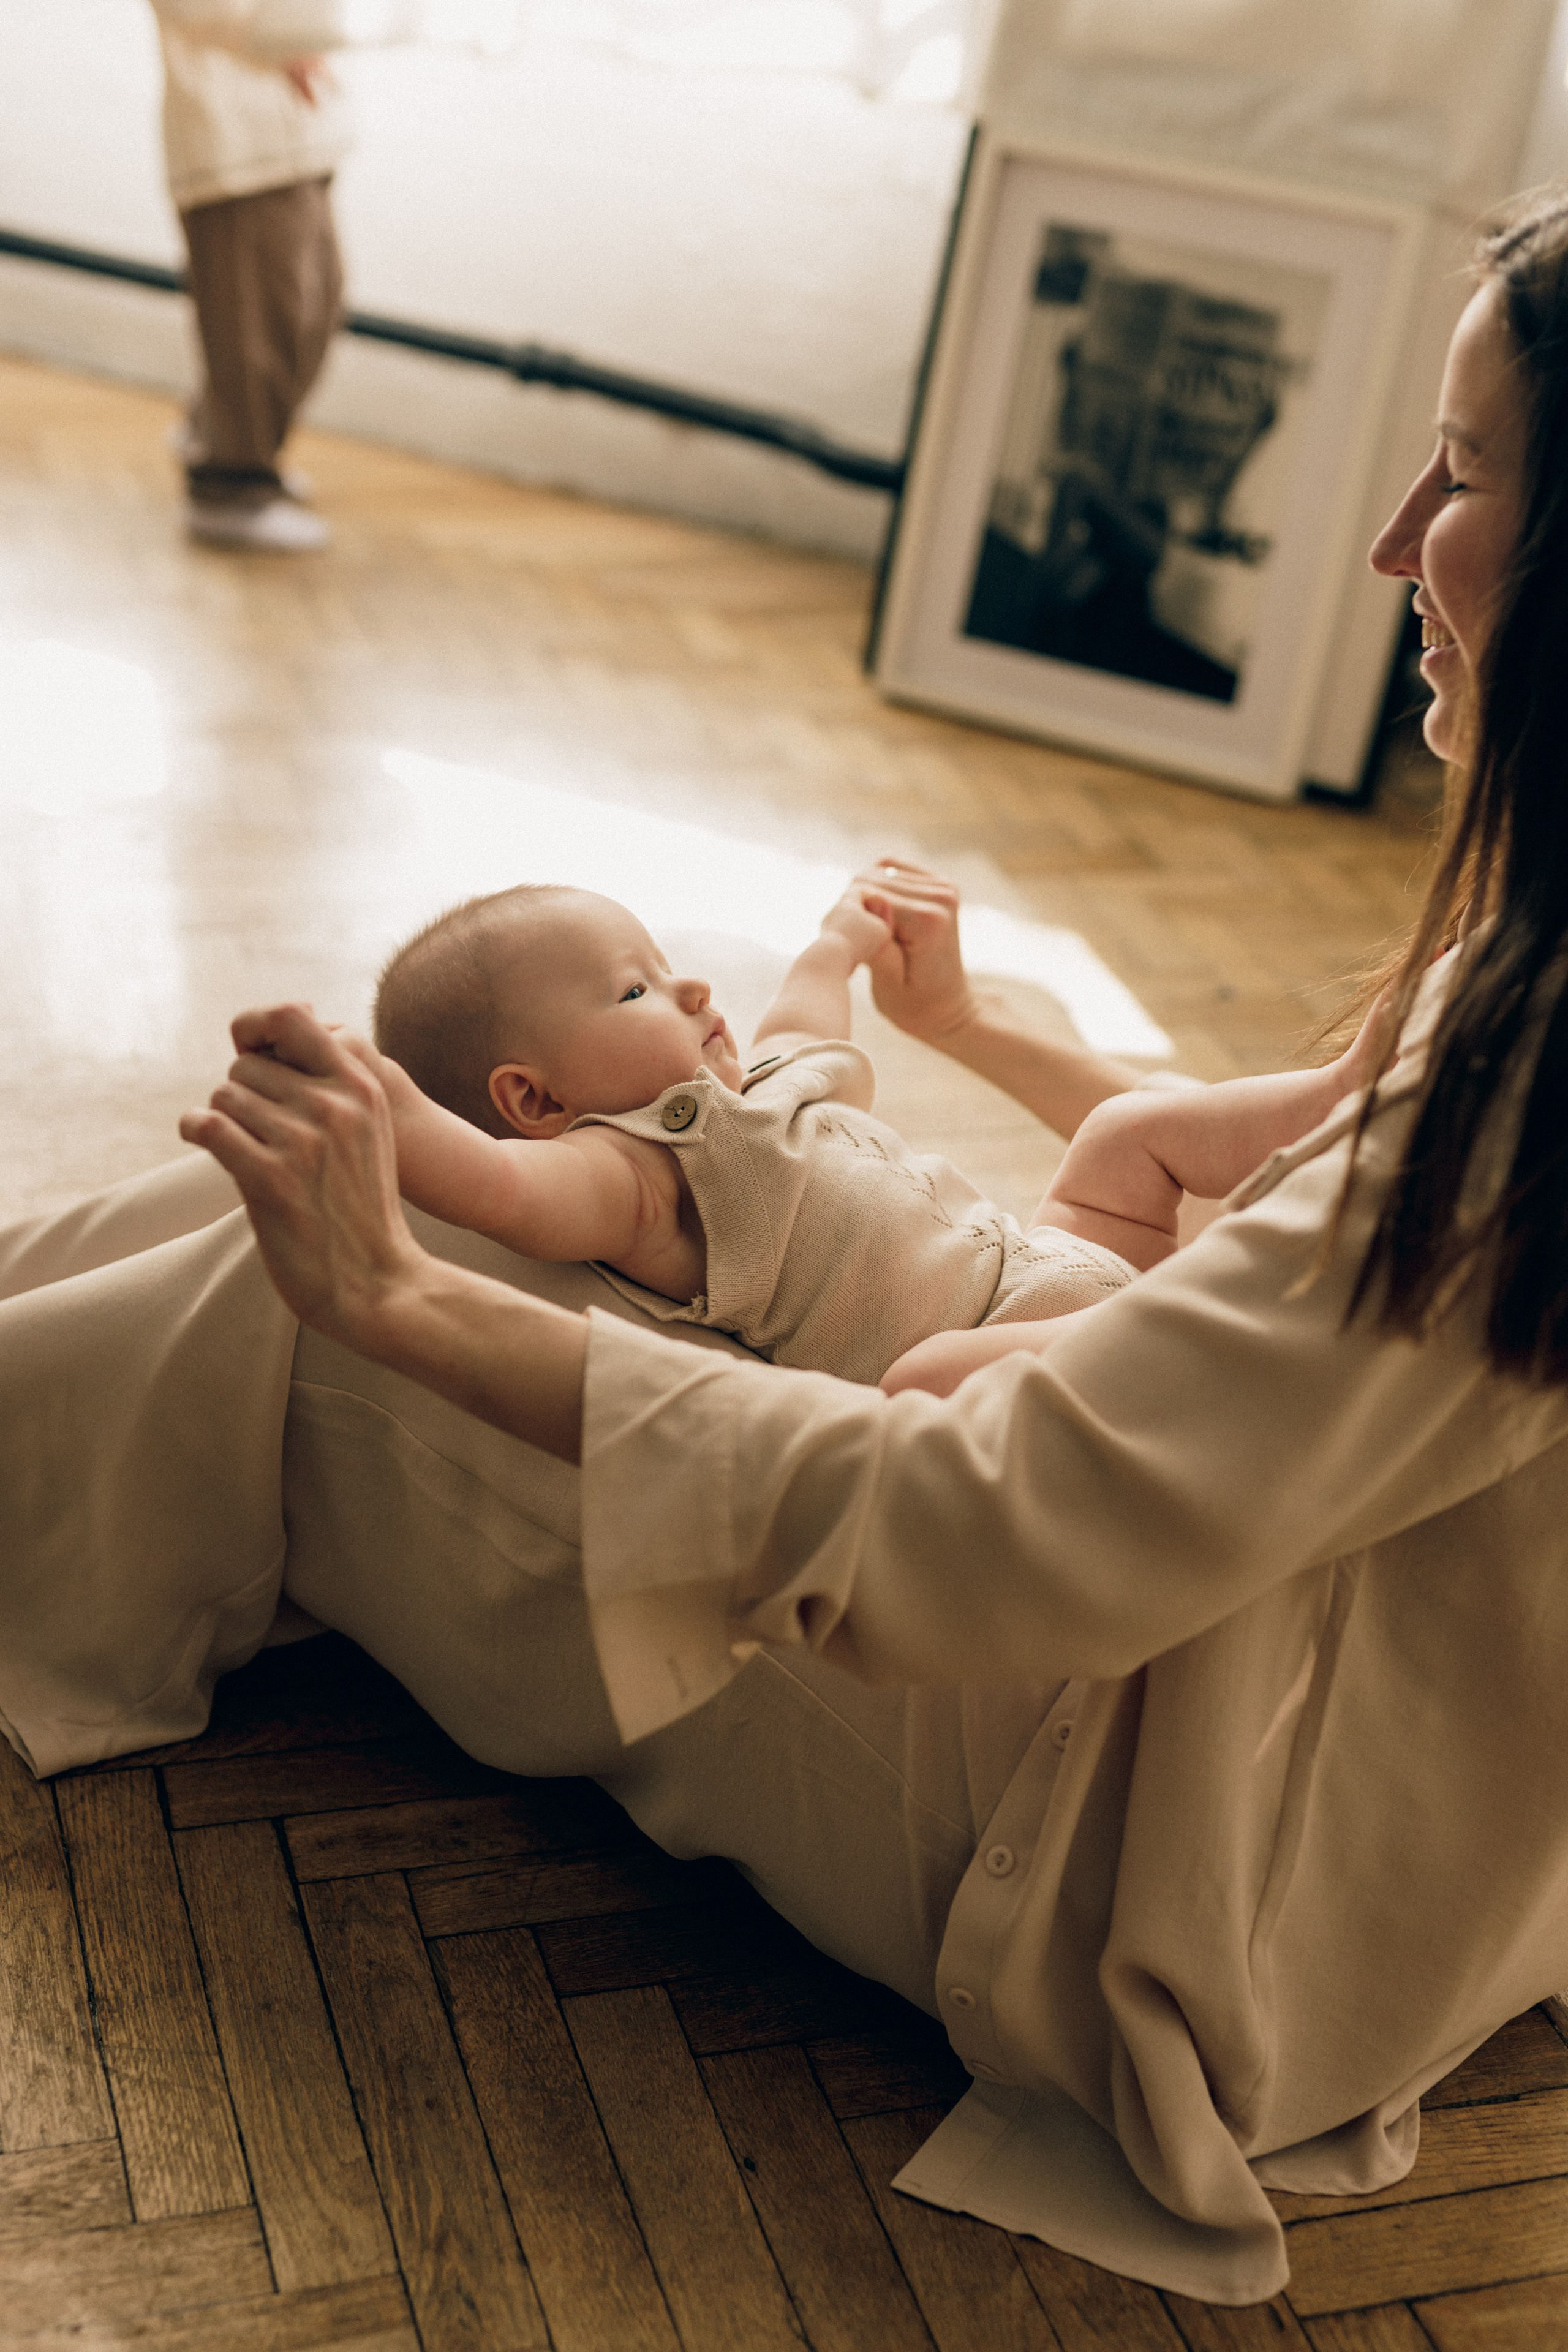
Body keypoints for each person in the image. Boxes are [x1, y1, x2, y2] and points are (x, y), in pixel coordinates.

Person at [4, 184, 1567, 2307]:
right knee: (353, 1204)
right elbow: (1252, 1255)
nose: (1391, 541)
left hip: (1193, 1891)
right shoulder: (1519, 983)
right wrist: (984, 1085)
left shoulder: (1538, 1076)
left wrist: (392, 1287)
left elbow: (983, 1532)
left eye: (1462, 476)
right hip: (1407, 1838)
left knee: (302, 1280)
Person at [363, 875, 1384, 1388]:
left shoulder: (758, 1084)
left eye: (666, 963)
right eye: (636, 988)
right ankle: (1208, 1317)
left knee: (1127, 1133)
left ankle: (1348, 1097)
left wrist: (839, 941)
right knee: (920, 1387)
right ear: (534, 1102)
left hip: (1053, 1255)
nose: (690, 986)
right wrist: (387, 1108)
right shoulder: (633, 1177)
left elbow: (805, 1020)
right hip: (1001, 1357)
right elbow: (500, 1192)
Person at [149, 2, 356, 551]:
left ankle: (221, 433)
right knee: (256, 322)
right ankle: (229, 484)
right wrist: (293, 38)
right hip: (233, 144)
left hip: (294, 135)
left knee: (316, 303)